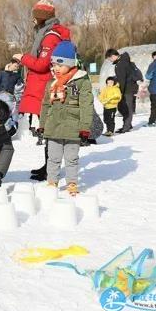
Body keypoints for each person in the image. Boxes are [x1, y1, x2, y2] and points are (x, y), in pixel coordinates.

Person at [12, 0, 70, 182]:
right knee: (47, 130)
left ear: (42, 17)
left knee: (49, 130)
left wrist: (23, 58)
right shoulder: (48, 33)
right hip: (43, 86)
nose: (32, 19)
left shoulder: (50, 36)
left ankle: (50, 167)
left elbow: (42, 64)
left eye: (35, 16)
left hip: (45, 87)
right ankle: (48, 165)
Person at [39, 41, 93, 196]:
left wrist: (84, 127)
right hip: (53, 127)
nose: (56, 68)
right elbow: (45, 105)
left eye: (60, 65)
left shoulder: (82, 81)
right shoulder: (51, 83)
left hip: (73, 128)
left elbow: (86, 105)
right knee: (53, 158)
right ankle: (52, 182)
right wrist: (42, 125)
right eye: (54, 65)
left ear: (70, 64)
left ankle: (72, 183)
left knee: (71, 159)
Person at [104, 48, 139, 133]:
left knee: (127, 108)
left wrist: (120, 91)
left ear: (113, 56)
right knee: (122, 107)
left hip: (128, 89)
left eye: (109, 59)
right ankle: (127, 124)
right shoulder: (122, 62)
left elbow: (122, 79)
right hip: (127, 88)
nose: (110, 60)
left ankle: (126, 127)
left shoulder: (121, 64)